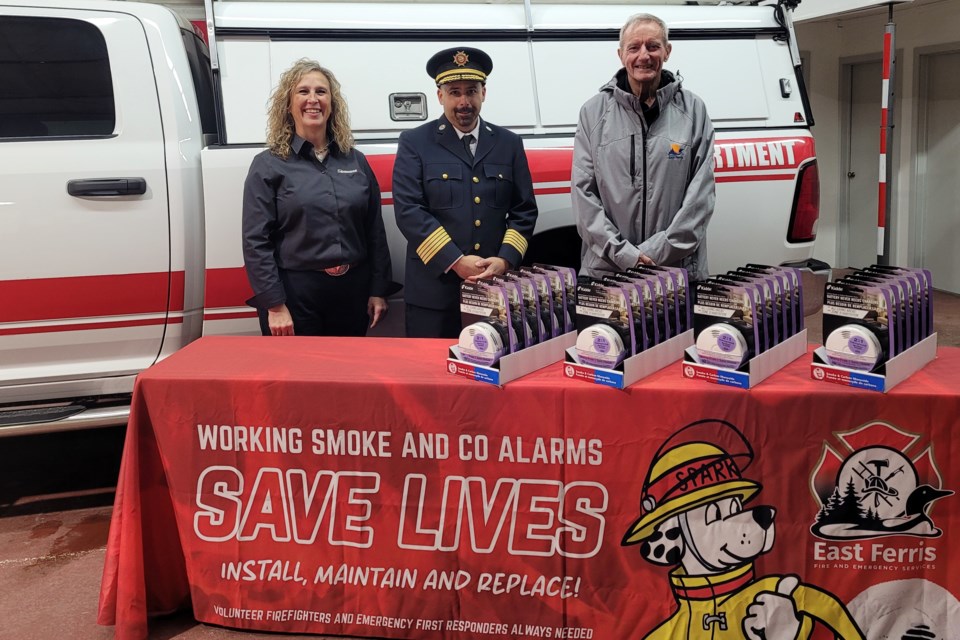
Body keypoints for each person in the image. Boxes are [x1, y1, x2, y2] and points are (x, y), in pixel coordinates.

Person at [393, 47, 538, 339]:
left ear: (484, 93)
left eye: (471, 91)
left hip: (493, 288)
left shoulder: (509, 143)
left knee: (491, 374)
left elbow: (524, 210)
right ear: (440, 96)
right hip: (433, 295)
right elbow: (409, 211)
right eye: (454, 92)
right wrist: (456, 261)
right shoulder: (415, 142)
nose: (463, 102)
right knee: (431, 377)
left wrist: (505, 260)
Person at [243, 58, 392, 336]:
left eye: (321, 92)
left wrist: (378, 290)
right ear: (288, 105)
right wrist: (274, 304)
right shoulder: (268, 164)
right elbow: (255, 242)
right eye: (303, 91)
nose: (313, 99)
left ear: (332, 103)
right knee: (299, 377)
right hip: (295, 295)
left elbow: (374, 231)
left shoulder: (356, 161)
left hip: (352, 293)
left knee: (349, 375)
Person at [573, 14, 715, 283]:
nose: (644, 56)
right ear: (620, 54)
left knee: (679, 329)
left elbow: (701, 197)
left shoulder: (694, 111)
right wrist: (626, 255)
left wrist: (654, 254)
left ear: (667, 51)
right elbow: (583, 196)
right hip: (607, 272)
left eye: (653, 46)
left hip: (676, 271)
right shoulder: (593, 113)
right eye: (634, 47)